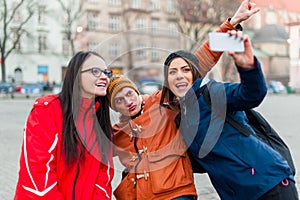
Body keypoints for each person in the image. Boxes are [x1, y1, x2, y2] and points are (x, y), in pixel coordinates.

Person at [108, 1, 260, 199]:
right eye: (119, 100)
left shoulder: (161, 101)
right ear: (114, 107)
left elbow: (199, 62)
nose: (127, 101)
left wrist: (232, 23)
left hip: (176, 192)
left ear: (136, 90)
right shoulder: (117, 133)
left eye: (129, 93)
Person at [160, 31, 299, 200]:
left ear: (195, 74)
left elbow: (251, 94)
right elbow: (202, 162)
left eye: (185, 70)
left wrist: (248, 68)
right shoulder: (181, 120)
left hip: (268, 184)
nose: (179, 75)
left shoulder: (211, 92)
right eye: (172, 72)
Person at [14, 51, 114, 199]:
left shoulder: (100, 120)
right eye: (95, 71)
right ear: (76, 76)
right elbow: (37, 172)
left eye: (106, 72)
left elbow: (103, 176)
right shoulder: (47, 111)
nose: (104, 77)